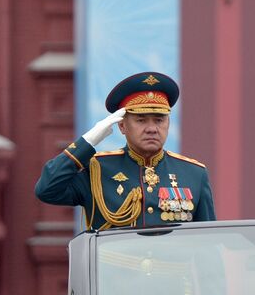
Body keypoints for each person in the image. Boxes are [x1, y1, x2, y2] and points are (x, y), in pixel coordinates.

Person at [35, 71, 215, 230]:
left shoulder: (194, 173)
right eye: (141, 120)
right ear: (122, 126)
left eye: (159, 120)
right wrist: (88, 141)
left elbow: (207, 241)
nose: (152, 128)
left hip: (172, 269)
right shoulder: (98, 169)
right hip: (115, 269)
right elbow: (47, 189)